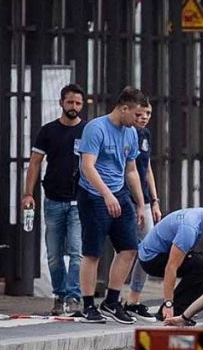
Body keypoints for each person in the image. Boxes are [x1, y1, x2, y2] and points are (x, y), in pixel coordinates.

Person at [76, 86, 148, 324]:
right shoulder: (96, 128)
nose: (140, 120)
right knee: (92, 251)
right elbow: (87, 166)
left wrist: (140, 203)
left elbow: (131, 170)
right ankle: (88, 304)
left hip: (120, 193)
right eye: (137, 115)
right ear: (123, 108)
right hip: (94, 195)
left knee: (129, 248)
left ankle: (112, 300)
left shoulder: (130, 133)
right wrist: (106, 194)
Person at [21, 84, 86, 316]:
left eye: (78, 103)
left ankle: (74, 295)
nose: (74, 107)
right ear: (61, 103)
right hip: (53, 199)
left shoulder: (87, 130)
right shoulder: (48, 131)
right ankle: (59, 295)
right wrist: (28, 193)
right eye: (70, 102)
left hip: (79, 200)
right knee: (54, 252)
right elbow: (35, 163)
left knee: (77, 251)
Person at [135, 198, 203, 320]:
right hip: (151, 259)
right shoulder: (190, 227)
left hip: (162, 253)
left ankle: (187, 309)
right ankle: (173, 312)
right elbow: (171, 266)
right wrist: (168, 303)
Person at [122, 102, 163, 319]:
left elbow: (146, 169)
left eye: (148, 113)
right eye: (140, 113)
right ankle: (116, 296)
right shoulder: (123, 132)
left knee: (148, 249)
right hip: (125, 197)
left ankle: (134, 297)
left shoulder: (144, 134)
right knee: (126, 248)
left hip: (144, 200)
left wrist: (154, 200)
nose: (144, 117)